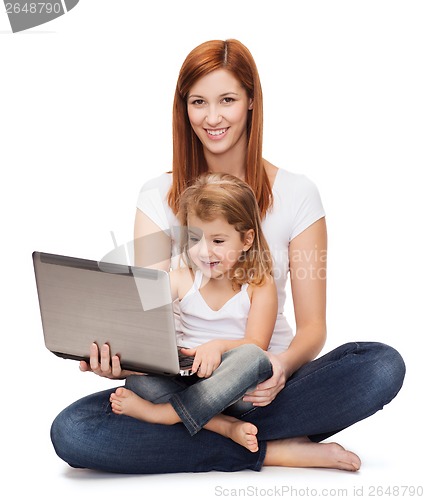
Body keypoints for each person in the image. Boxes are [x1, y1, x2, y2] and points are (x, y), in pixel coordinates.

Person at [50, 39, 405, 474]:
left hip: (265, 385)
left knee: (379, 365)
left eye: (228, 100)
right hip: (181, 382)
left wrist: (279, 368)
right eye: (199, 102)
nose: (212, 117)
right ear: (184, 109)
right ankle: (266, 448)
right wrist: (119, 358)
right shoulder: (156, 196)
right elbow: (145, 319)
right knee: (74, 430)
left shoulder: (298, 195)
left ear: (251, 101)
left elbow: (313, 328)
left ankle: (208, 433)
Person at [109, 172, 277, 452]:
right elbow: (140, 320)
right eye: (195, 239)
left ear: (247, 240)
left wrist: (218, 347)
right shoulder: (180, 278)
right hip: (186, 380)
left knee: (256, 360)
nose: (204, 251)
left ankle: (162, 415)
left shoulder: (260, 284)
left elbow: (257, 344)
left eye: (218, 241)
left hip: (232, 385)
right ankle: (223, 426)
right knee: (140, 383)